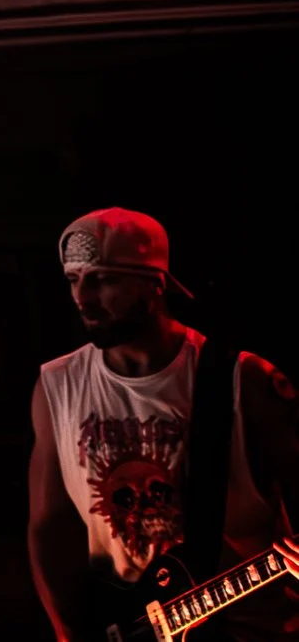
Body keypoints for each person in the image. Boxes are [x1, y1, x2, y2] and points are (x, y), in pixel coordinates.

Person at [28, 208, 299, 640]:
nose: (83, 297)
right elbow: (49, 528)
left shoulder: (244, 380)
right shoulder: (57, 386)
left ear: (155, 283)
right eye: (73, 280)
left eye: (102, 279)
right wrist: (66, 632)